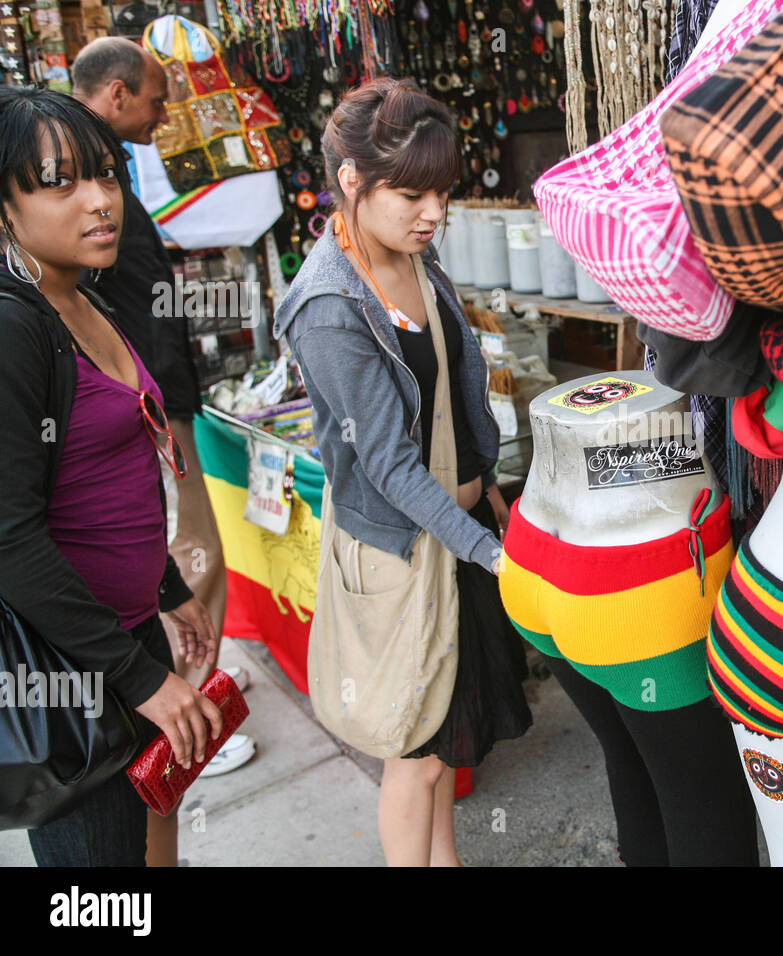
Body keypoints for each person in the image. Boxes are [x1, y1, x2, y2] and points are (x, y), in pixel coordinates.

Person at [273, 77, 531, 867]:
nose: (434, 213)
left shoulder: (415, 255)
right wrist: (488, 549)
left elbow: (454, 394)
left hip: (458, 528)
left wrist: (488, 494)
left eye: (443, 193)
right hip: (405, 550)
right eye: (412, 193)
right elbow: (386, 463)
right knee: (412, 753)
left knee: (446, 747)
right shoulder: (327, 304)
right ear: (352, 182)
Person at [0, 85, 222, 866]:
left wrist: (166, 588)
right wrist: (137, 677)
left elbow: (110, 478)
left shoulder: (85, 296)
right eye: (60, 182)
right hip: (65, 670)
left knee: (147, 841)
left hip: (126, 639)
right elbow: (10, 537)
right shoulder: (12, 325)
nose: (100, 202)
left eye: (106, 174)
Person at [71, 39, 254, 793]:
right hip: (143, 409)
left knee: (183, 555)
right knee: (190, 550)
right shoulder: (89, 184)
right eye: (154, 98)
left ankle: (182, 714)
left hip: (149, 403)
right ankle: (189, 720)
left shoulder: (101, 174)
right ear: (115, 94)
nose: (164, 112)